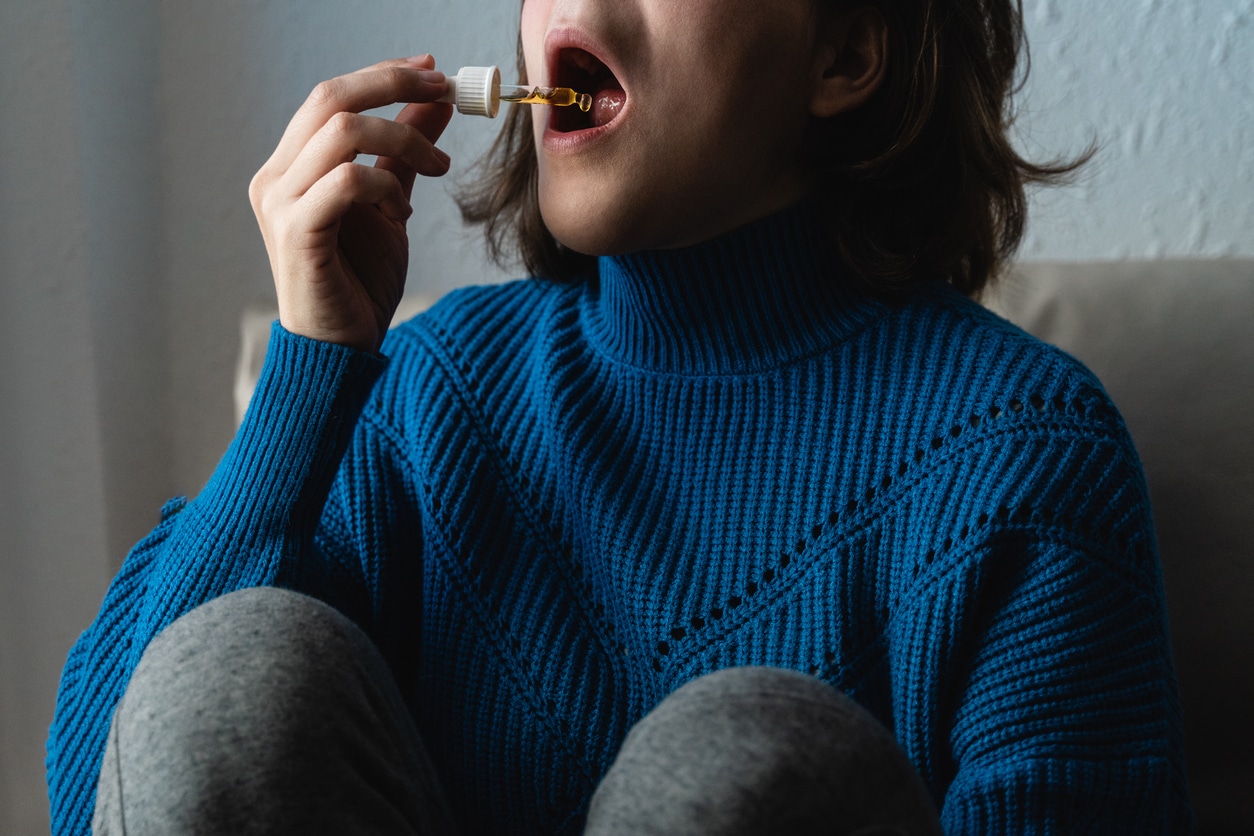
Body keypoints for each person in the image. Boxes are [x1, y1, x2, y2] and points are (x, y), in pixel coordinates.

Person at [48, 0, 1195, 833]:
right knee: (236, 668)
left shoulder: (1024, 461)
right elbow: (102, 785)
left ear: (845, 52)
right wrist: (310, 373)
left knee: (745, 762)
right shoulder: (426, 396)